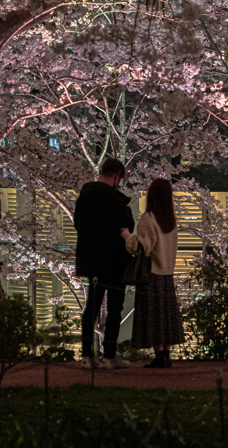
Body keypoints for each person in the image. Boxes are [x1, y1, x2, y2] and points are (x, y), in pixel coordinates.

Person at [74, 156, 135, 369]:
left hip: (91, 260)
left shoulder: (85, 195)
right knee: (115, 308)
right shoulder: (116, 200)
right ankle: (109, 355)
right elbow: (128, 225)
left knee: (92, 306)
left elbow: (77, 223)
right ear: (117, 175)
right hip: (114, 261)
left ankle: (86, 356)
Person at [124, 177, 184, 368]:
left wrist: (126, 235)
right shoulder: (171, 221)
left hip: (152, 273)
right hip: (168, 274)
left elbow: (143, 247)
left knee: (153, 314)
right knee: (166, 314)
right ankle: (166, 354)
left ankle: (159, 355)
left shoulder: (148, 218)